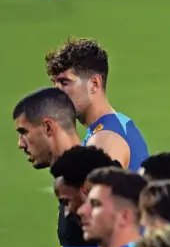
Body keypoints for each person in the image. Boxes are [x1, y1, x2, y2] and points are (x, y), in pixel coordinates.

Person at [9, 87, 95, 247]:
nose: (20, 144)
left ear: (48, 127)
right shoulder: (70, 181)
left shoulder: (94, 184)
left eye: (24, 132)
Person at [45, 37, 149, 170]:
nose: (57, 92)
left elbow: (98, 191)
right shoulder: (117, 124)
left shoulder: (104, 139)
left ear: (94, 84)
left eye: (65, 82)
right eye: (55, 83)